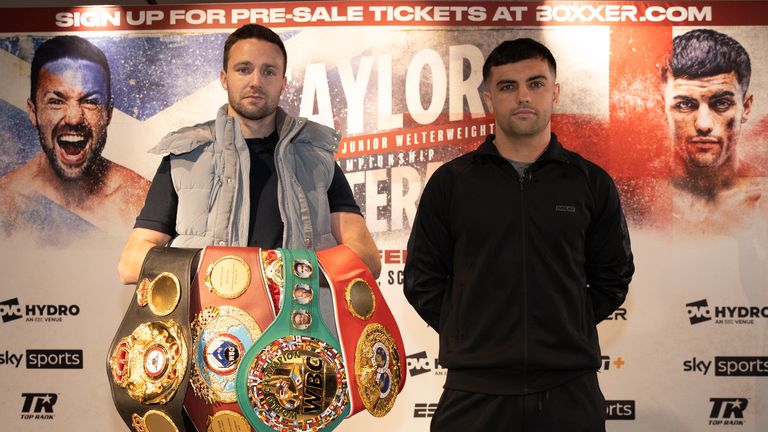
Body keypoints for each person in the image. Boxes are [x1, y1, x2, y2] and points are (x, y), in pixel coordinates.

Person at [403, 38, 634, 431]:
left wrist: (565, 323)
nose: (523, 96)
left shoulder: (590, 182)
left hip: (568, 391)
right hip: (474, 393)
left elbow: (613, 277)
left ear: (555, 92)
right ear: (488, 97)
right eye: (508, 86)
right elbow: (421, 279)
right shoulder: (452, 183)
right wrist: (471, 327)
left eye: (536, 83)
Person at [117, 24, 380, 284]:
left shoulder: (316, 154)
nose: (256, 82)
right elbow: (131, 263)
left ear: (283, 83)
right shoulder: (184, 155)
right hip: (211, 323)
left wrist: (287, 274)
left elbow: (367, 258)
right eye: (244, 69)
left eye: (269, 72)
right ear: (224, 78)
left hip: (298, 322)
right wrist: (220, 271)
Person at [0, 35, 149, 240]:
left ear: (109, 113)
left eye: (90, 102)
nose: (73, 118)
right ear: (33, 111)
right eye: (56, 101)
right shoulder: (5, 201)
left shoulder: (139, 200)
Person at [662, 29, 767, 233]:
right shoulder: (639, 197)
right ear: (663, 109)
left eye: (721, 103)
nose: (703, 124)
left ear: (745, 108)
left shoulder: (763, 199)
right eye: (685, 104)